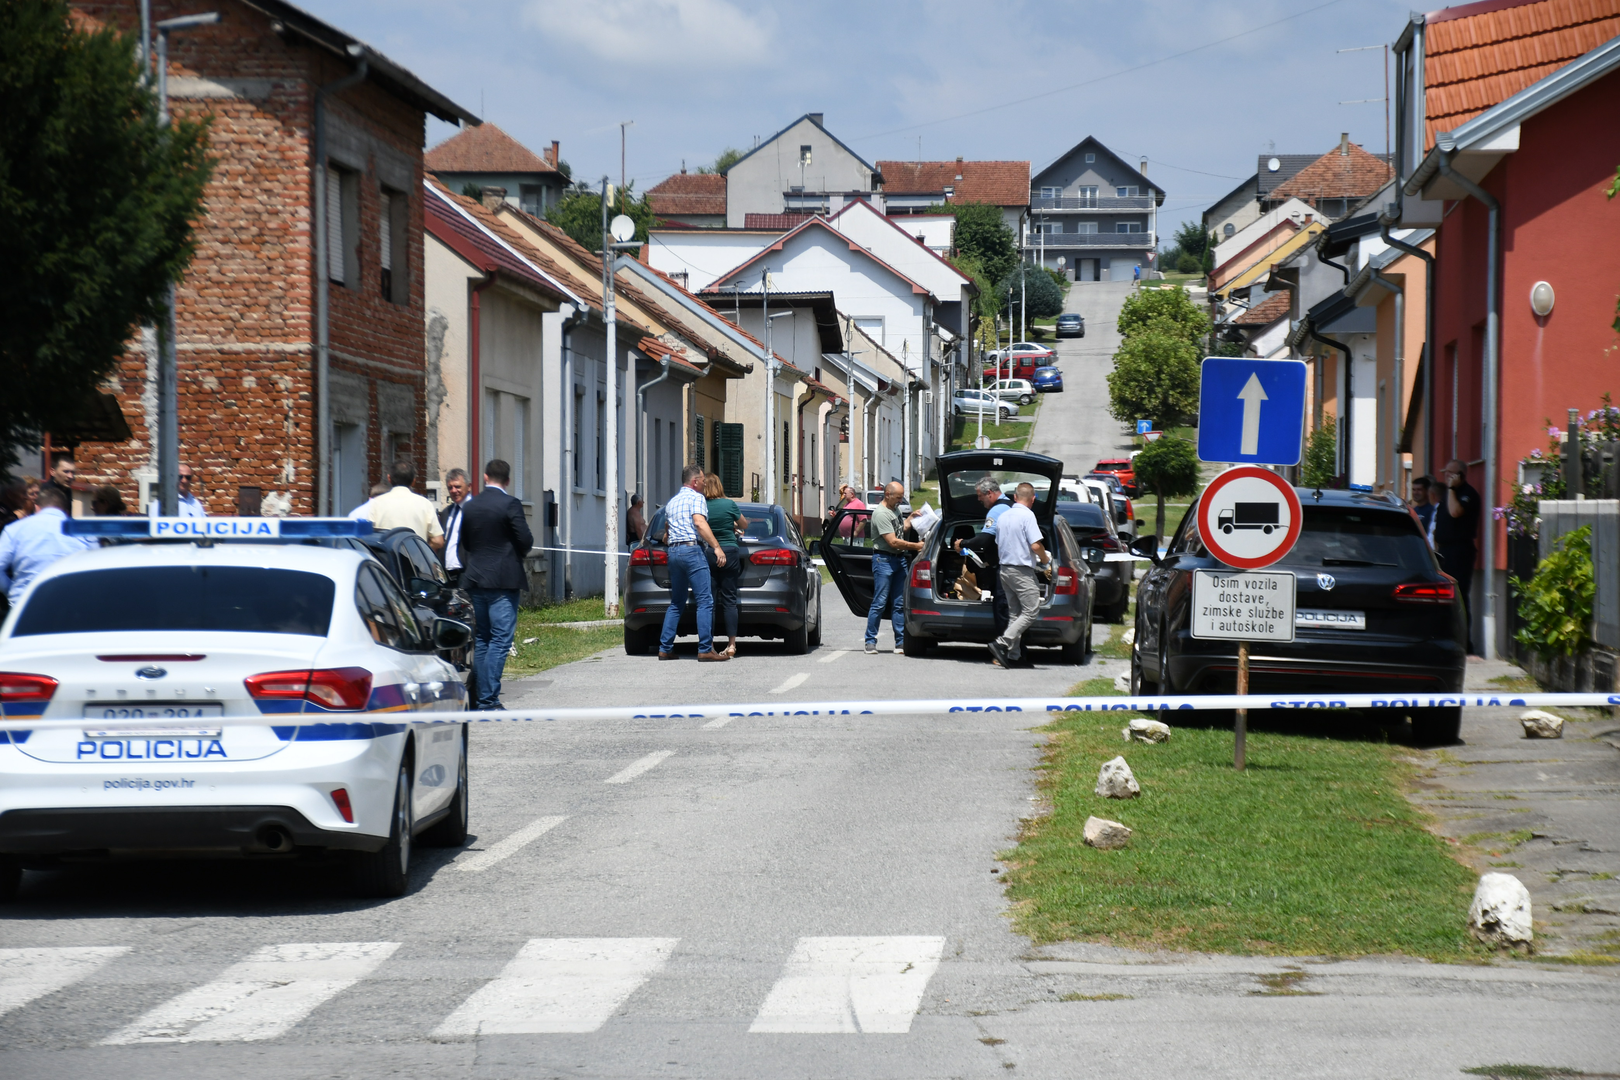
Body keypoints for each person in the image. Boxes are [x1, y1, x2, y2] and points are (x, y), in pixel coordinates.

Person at [457, 459, 535, 709]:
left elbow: (465, 542)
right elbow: (525, 540)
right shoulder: (510, 504)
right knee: (501, 639)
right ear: (508, 481)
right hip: (503, 579)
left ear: (485, 477)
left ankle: (481, 696)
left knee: (483, 639)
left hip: (476, 577)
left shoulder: (470, 506)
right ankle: (488, 700)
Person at [658, 465, 730, 662]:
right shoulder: (697, 498)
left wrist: (669, 538)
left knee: (677, 602)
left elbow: (667, 529)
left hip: (674, 551)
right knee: (705, 601)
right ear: (695, 482)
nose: (705, 483)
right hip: (692, 550)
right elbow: (699, 522)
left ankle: (665, 648)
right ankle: (706, 648)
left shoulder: (672, 502)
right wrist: (716, 547)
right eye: (702, 480)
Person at [987, 483, 1051, 670]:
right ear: (1033, 499)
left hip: (1004, 569)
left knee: (1015, 613)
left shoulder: (1004, 515)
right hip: (1021, 570)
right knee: (1031, 610)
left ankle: (1014, 657)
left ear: (1015, 497)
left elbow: (998, 542)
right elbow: (1036, 546)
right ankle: (1002, 642)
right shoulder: (1028, 515)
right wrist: (1045, 560)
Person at [0, 485, 96, 606]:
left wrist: (12, 591)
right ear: (66, 511)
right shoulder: (84, 532)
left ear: (37, 507)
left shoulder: (15, 529)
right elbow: (97, 570)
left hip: (25, 606)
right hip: (72, 605)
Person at [865, 481, 923, 654]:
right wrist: (917, 546)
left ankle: (900, 642)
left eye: (901, 497)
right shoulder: (881, 514)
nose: (900, 500)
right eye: (898, 497)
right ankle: (870, 641)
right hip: (884, 560)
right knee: (880, 602)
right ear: (887, 495)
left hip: (899, 561)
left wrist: (911, 518)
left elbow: (900, 529)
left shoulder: (894, 509)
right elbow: (893, 541)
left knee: (899, 603)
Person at [956, 477, 1015, 639]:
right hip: (1015, 566)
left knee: (1002, 608)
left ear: (989, 493)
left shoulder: (997, 510)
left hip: (1004, 567)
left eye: (980, 495)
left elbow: (984, 539)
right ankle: (1014, 649)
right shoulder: (1012, 507)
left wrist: (962, 543)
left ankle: (1005, 647)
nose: (978, 499)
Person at [1434, 459, 1482, 653]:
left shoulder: (1467, 494)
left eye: (1451, 473)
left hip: (1460, 551)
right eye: (1446, 472)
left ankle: (1464, 643)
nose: (1447, 476)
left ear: (1461, 475)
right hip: (1445, 551)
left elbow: (1455, 513)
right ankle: (1446, 638)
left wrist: (1452, 489)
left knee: (1459, 596)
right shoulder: (1448, 494)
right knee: (1444, 597)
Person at [360, 459, 446, 551]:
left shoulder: (376, 503)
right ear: (414, 481)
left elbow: (366, 537)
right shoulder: (425, 504)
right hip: (416, 561)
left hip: (386, 561)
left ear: (389, 478)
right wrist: (423, 551)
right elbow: (438, 541)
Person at [704, 473, 746, 658]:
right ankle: (731, 645)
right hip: (729, 551)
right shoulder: (729, 504)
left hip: (709, 553)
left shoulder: (701, 506)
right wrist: (733, 524)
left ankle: (709, 644)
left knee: (709, 602)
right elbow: (744, 523)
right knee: (730, 600)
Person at [439, 468, 470, 584]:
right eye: (450, 487)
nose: (453, 491)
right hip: (446, 574)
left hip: (466, 572)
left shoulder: (475, 510)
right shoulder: (447, 512)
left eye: (458, 487)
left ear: (469, 486)